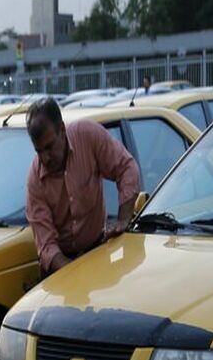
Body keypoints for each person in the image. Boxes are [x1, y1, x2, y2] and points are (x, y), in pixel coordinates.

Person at [25, 98, 141, 275]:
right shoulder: (35, 180)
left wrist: (123, 220)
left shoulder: (88, 136)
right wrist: (76, 274)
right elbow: (47, 246)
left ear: (62, 130)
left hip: (97, 251)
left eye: (49, 147)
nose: (45, 158)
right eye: (39, 151)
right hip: (60, 268)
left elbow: (126, 168)